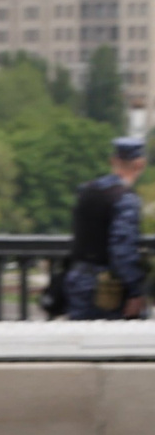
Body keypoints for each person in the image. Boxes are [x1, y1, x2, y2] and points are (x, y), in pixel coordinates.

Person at [59, 136, 145, 321]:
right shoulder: (126, 199)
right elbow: (122, 250)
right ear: (140, 164)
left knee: (80, 341)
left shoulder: (87, 190)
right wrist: (135, 291)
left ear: (113, 160)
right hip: (108, 289)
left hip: (77, 279)